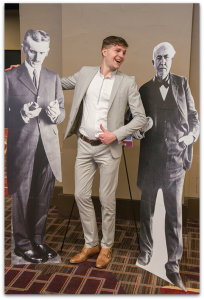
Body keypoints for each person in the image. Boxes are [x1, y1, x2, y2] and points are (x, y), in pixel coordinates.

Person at [61, 36, 147, 268]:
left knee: (107, 200)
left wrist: (116, 134)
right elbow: (58, 83)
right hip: (84, 145)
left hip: (108, 149)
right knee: (81, 195)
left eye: (124, 52)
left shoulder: (127, 83)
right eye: (118, 50)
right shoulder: (85, 73)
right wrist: (26, 72)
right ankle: (92, 244)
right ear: (104, 51)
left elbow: (140, 118)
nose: (121, 56)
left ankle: (107, 246)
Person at [135, 42, 200, 291]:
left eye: (165, 57)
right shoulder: (143, 90)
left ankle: (173, 267)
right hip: (151, 161)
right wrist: (141, 130)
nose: (162, 62)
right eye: (157, 58)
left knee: (174, 217)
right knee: (147, 213)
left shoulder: (182, 84)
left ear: (171, 60)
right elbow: (134, 126)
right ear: (152, 63)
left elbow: (194, 118)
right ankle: (146, 252)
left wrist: (191, 136)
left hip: (175, 159)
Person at [4, 29, 65, 264]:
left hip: (48, 148)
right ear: (23, 47)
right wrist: (20, 114)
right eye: (32, 51)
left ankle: (38, 240)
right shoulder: (9, 78)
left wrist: (55, 113)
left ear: (47, 51)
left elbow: (61, 111)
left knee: (42, 195)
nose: (37, 57)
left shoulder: (53, 77)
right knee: (22, 196)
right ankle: (22, 244)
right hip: (22, 147)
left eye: (42, 52)